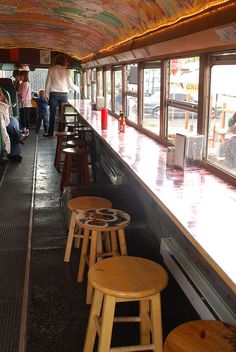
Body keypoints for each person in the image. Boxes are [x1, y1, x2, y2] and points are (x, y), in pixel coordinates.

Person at [45, 53, 80, 136]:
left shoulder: (51, 69)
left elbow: (48, 83)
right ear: (64, 62)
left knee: (52, 114)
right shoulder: (67, 71)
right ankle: (62, 132)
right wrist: (78, 89)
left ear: (55, 61)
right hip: (64, 94)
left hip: (53, 94)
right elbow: (70, 84)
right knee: (62, 114)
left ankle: (50, 132)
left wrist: (46, 95)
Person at [0, 88, 24, 161]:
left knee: (14, 120)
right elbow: (2, 128)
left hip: (6, 120)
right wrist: (6, 144)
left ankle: (15, 151)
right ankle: (19, 136)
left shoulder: (4, 100)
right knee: (12, 127)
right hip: (3, 123)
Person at [19, 69, 31, 136]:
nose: (20, 77)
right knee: (26, 116)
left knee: (24, 116)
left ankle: (24, 130)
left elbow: (23, 94)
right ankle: (27, 130)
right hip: (28, 101)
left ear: (24, 76)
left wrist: (21, 101)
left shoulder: (23, 83)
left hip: (24, 101)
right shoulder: (27, 83)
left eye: (21, 75)